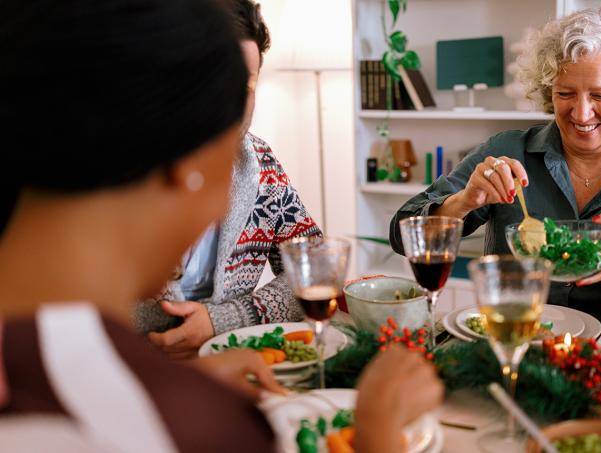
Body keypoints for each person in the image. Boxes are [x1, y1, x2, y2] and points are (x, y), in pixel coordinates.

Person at [0, 0, 443, 451]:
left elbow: (312, 267)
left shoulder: (36, 344)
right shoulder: (193, 423)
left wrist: (208, 348)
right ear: (185, 157)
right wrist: (376, 433)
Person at [389, 3, 601, 332]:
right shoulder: (506, 151)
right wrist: (463, 201)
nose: (581, 113)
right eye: (565, 93)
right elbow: (402, 235)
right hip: (515, 343)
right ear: (549, 90)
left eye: (600, 96)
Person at [136, 0, 322, 359]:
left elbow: (314, 270)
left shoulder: (262, 164)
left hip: (231, 368)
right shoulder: (124, 169)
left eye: (247, 87)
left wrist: (223, 320)